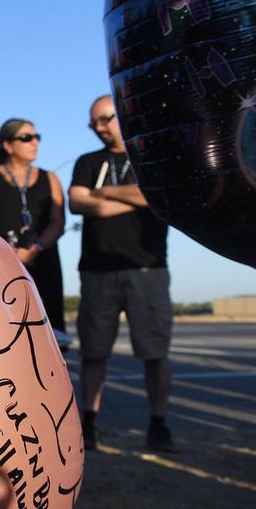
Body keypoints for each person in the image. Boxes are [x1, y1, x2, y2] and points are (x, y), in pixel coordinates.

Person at [69, 95, 173, 453]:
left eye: (105, 119)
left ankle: (158, 425)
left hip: (147, 267)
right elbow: (78, 202)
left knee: (154, 351)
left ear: (125, 115)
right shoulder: (87, 162)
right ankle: (90, 424)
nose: (99, 127)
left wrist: (106, 194)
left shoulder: (151, 156)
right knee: (94, 352)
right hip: (98, 270)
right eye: (93, 122)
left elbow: (156, 196)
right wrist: (133, 196)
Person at [0, 118, 66, 335]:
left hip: (44, 261)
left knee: (51, 334)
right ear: (7, 144)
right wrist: (11, 253)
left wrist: (35, 249)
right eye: (26, 137)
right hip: (3, 263)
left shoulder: (50, 177)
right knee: (6, 333)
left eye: (36, 137)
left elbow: (58, 222)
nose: (35, 142)